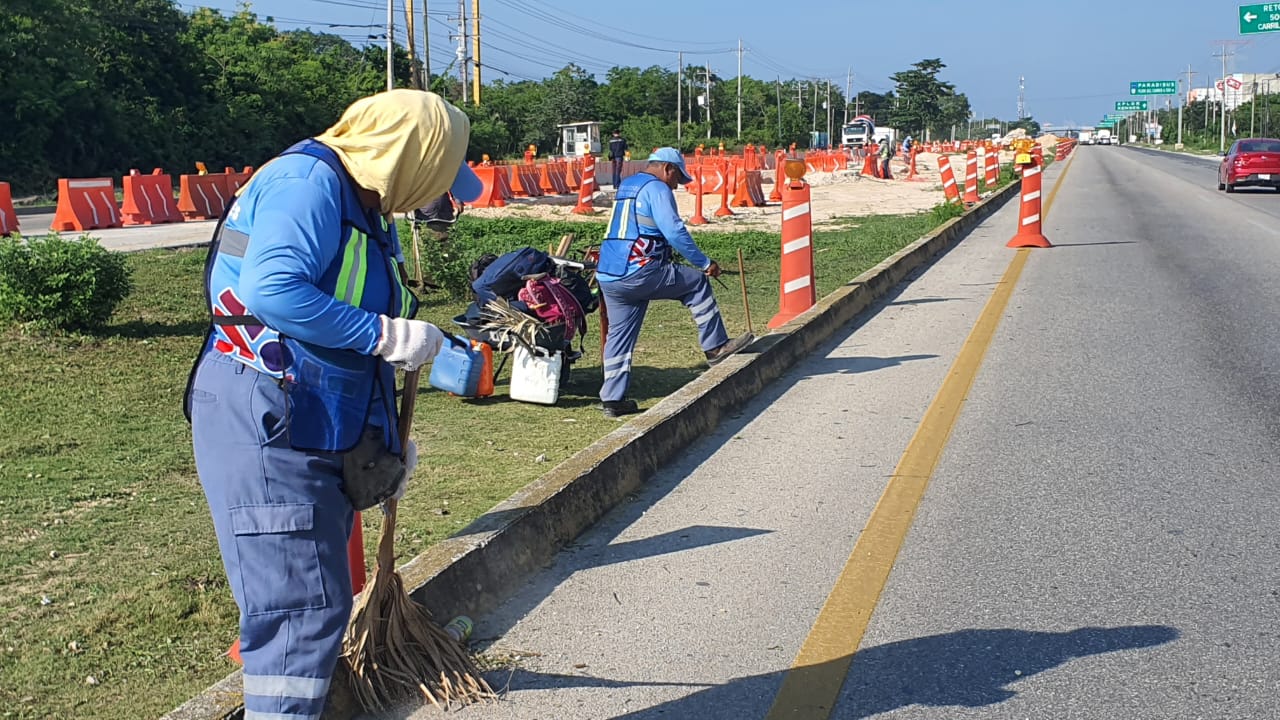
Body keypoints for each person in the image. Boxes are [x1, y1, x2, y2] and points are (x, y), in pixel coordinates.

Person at [183, 89, 482, 720]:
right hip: (267, 416)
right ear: (410, 156)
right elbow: (273, 290)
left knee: (313, 607)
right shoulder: (308, 184)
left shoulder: (366, 202)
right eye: (439, 171)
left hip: (313, 414)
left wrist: (383, 439)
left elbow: (335, 319)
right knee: (295, 621)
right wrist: (384, 334)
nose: (440, 190)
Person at [595, 147, 753, 419]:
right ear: (668, 169)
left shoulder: (628, 184)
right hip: (639, 270)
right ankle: (716, 347)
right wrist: (704, 263)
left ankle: (612, 398)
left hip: (609, 275)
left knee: (618, 337)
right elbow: (674, 230)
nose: (677, 186)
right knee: (696, 283)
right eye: (677, 179)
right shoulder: (657, 189)